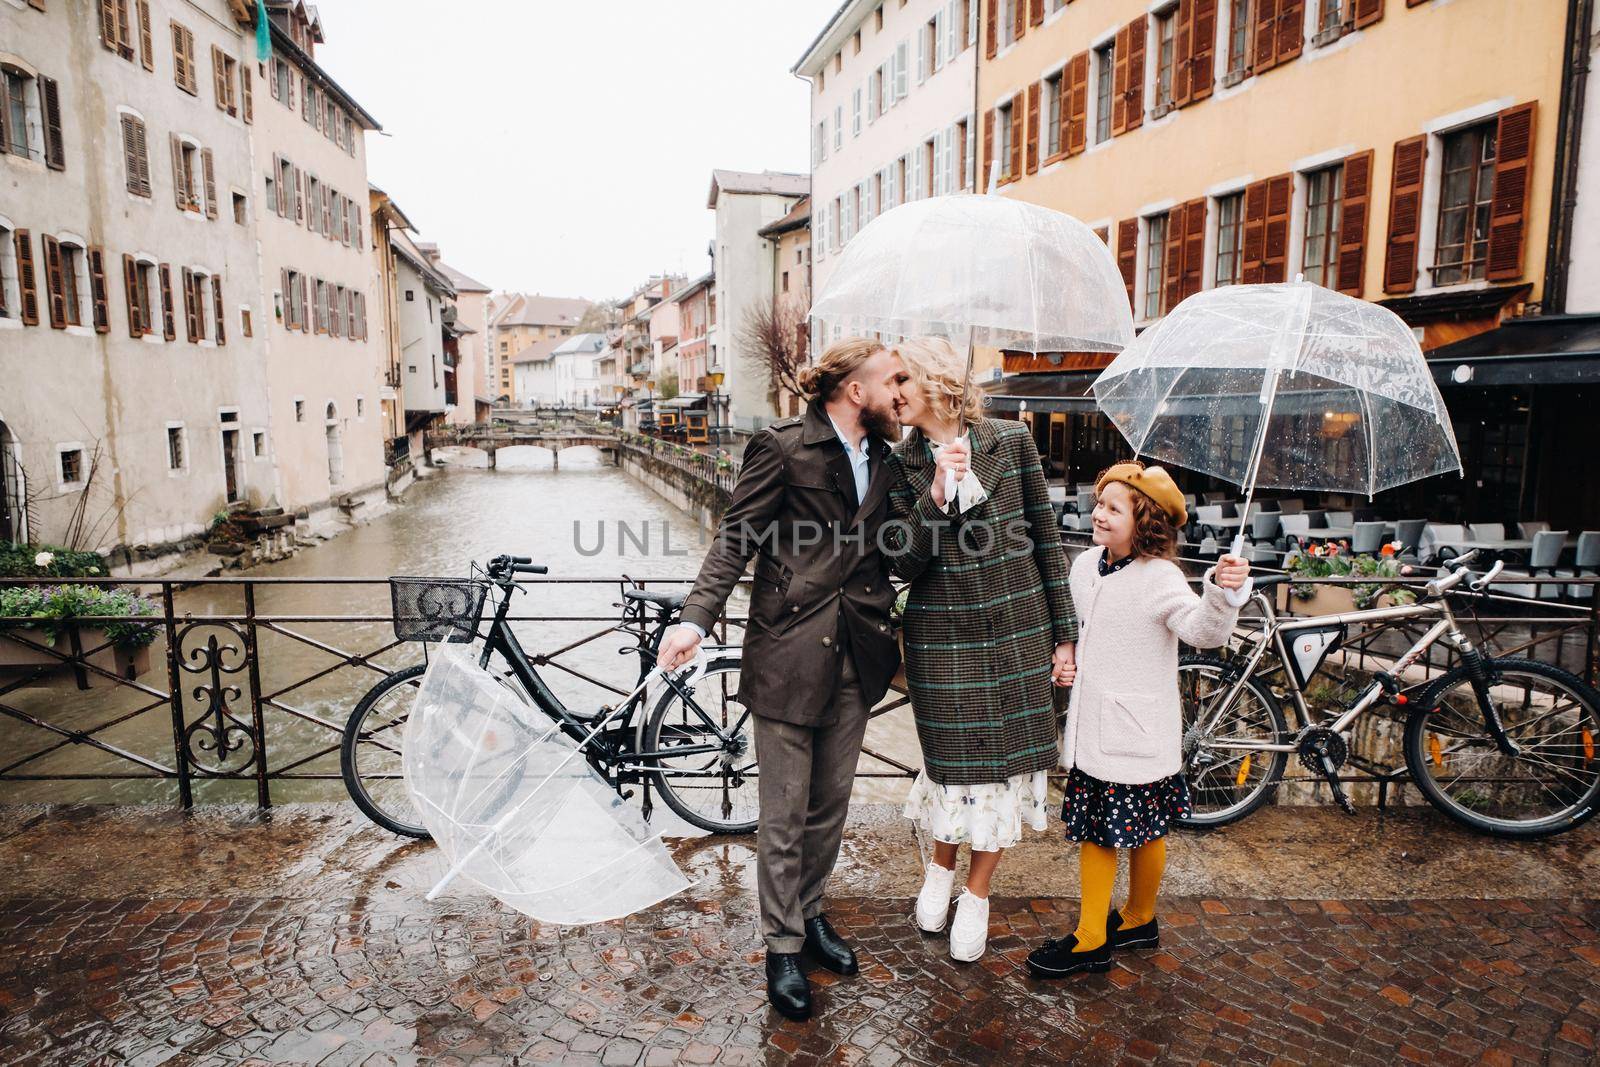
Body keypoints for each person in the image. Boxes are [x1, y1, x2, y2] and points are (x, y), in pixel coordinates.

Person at [656, 338, 905, 1022]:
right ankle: (782, 945)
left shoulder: (888, 458)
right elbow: (736, 537)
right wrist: (695, 620)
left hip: (858, 649)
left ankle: (812, 910)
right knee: (785, 810)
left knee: (830, 804)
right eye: (894, 379)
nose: (901, 391)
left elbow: (907, 549)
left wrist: (945, 487)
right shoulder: (784, 446)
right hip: (790, 651)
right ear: (855, 389)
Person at [883, 337, 1077, 963]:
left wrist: (1065, 634)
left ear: (936, 382)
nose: (894, 394)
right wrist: (938, 492)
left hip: (1019, 634)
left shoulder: (1011, 443)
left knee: (1003, 774)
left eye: (903, 381)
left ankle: (977, 893)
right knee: (953, 771)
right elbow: (900, 560)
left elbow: (1047, 542)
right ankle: (939, 869)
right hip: (942, 641)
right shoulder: (899, 464)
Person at [1026, 462, 1252, 979]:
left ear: (1144, 520)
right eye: (1099, 503)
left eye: (1113, 508)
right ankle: (1140, 920)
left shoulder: (1161, 577)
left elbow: (1204, 632)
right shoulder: (1084, 565)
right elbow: (1071, 626)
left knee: (1110, 833)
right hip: (1093, 723)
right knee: (1136, 829)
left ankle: (1091, 939)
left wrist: (1224, 591)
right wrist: (1064, 656)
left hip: (1135, 728)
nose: (1098, 514)